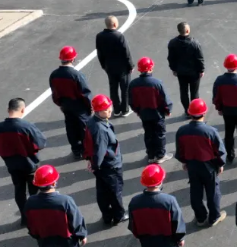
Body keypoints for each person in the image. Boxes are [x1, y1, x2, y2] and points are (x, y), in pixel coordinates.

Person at [175, 99, 227, 227]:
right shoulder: (210, 131)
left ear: (190, 113)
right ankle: (214, 217)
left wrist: (185, 162)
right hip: (209, 166)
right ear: (204, 113)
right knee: (213, 192)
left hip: (192, 166)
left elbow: (180, 150)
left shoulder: (182, 131)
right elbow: (219, 151)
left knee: (195, 192)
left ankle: (200, 217)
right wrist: (220, 164)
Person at [25, 165, 87, 247]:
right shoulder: (65, 201)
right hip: (67, 246)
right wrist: (82, 235)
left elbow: (31, 224)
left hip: (45, 245)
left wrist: (37, 235)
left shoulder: (30, 202)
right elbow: (76, 221)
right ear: (54, 183)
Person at [128, 164, 186, 247]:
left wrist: (140, 237)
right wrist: (180, 238)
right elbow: (177, 222)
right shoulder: (169, 201)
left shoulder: (135, 202)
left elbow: (133, 224)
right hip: (168, 245)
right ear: (160, 182)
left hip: (148, 244)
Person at [0, 98, 47, 226]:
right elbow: (40, 143)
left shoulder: (1, 127)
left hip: (12, 165)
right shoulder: (26, 126)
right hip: (30, 164)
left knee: (19, 190)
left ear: (8, 110)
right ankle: (35, 216)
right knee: (34, 192)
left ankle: (24, 217)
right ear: (22, 110)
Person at [84, 94, 127, 226]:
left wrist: (91, 161)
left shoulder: (92, 122)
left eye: (109, 107)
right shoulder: (100, 129)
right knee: (115, 191)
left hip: (102, 166)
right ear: (98, 111)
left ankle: (107, 215)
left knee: (102, 192)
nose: (110, 110)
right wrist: (95, 165)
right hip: (109, 165)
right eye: (106, 109)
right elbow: (100, 150)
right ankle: (119, 215)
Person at [128, 57, 174, 164]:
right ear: (150, 68)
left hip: (144, 114)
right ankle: (160, 155)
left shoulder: (133, 84)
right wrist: (168, 110)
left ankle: (151, 155)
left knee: (148, 134)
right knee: (160, 134)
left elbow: (131, 101)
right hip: (157, 114)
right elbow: (164, 99)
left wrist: (138, 111)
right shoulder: (157, 83)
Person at [49, 46, 91, 160]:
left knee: (70, 127)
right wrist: (90, 106)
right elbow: (85, 93)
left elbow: (54, 92)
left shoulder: (54, 75)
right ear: (73, 59)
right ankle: (86, 149)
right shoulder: (76, 75)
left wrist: (60, 103)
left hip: (65, 104)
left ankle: (76, 149)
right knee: (84, 127)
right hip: (79, 105)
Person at [95, 15, 134, 118]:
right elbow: (126, 53)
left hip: (109, 67)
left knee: (113, 88)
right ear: (115, 24)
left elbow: (99, 53)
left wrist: (103, 65)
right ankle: (125, 110)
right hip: (122, 68)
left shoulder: (99, 36)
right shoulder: (119, 36)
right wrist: (131, 65)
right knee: (125, 88)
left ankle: (116, 109)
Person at [167, 22, 205, 116]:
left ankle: (187, 110)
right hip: (194, 72)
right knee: (194, 92)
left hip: (181, 72)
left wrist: (174, 69)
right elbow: (199, 58)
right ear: (187, 30)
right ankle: (195, 110)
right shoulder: (195, 43)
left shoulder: (173, 43)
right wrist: (201, 70)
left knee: (183, 92)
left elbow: (171, 58)